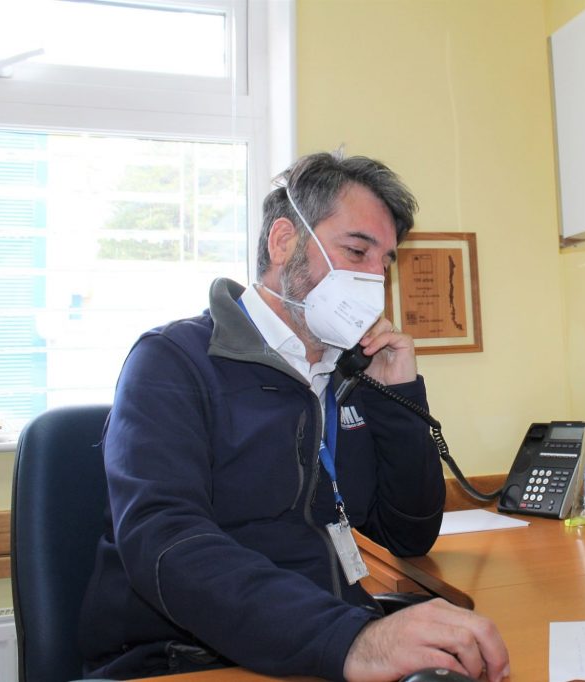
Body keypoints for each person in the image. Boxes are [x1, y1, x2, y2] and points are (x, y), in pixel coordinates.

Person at [78, 151, 510, 682]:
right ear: (283, 241)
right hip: (191, 658)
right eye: (357, 251)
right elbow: (165, 541)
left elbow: (408, 535)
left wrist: (398, 395)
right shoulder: (172, 361)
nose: (374, 279)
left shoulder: (348, 375)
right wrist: (352, 640)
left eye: (384, 263)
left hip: (325, 643)